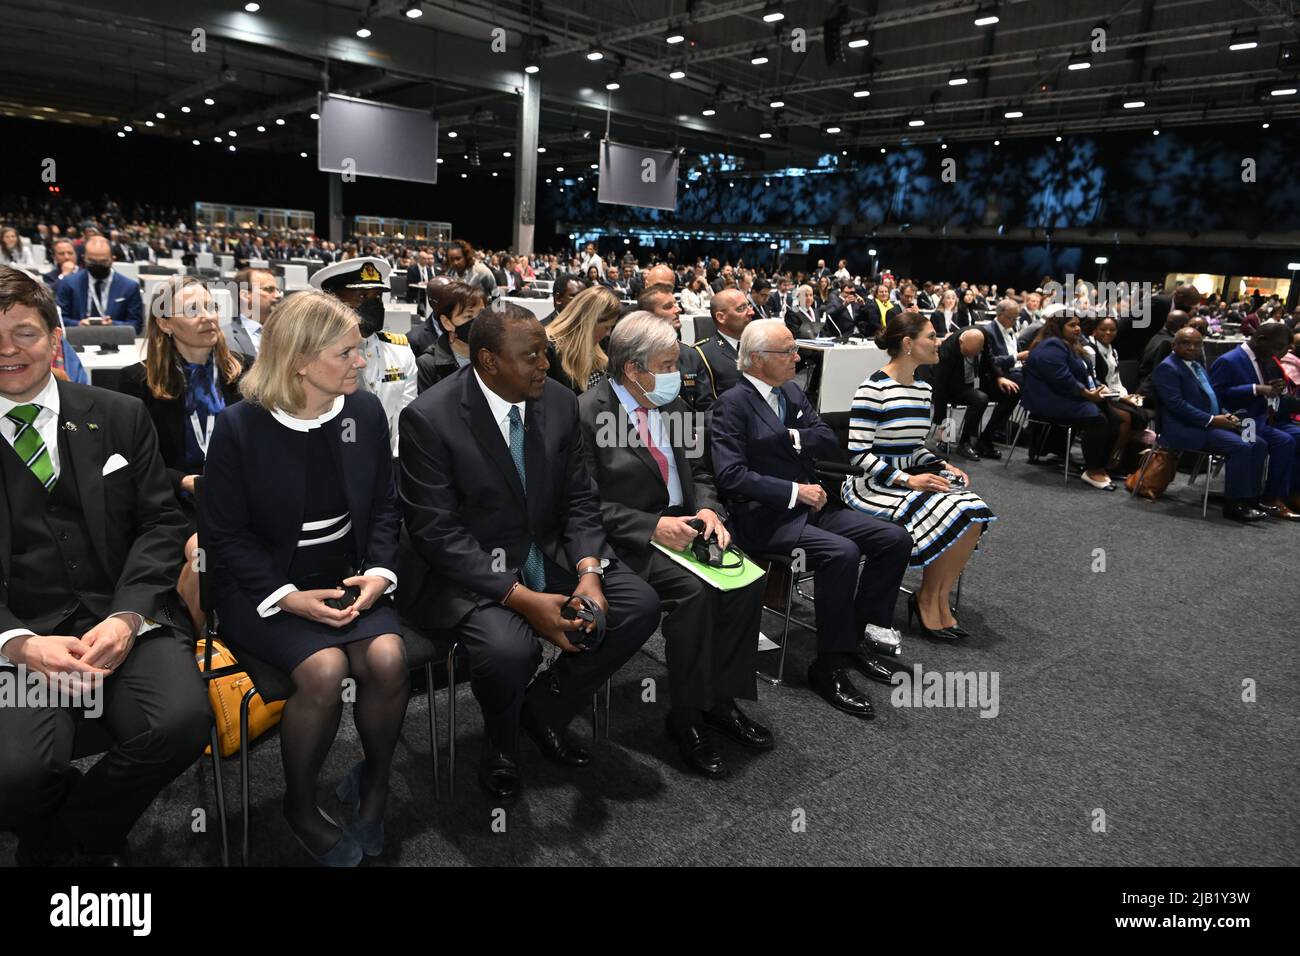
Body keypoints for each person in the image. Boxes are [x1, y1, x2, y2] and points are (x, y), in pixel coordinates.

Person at [397, 303, 660, 802]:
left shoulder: (559, 403)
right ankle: (500, 743)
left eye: (546, 352)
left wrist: (588, 571)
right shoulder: (429, 419)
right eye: (532, 356)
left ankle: (547, 708)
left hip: (549, 548)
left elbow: (579, 499)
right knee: (509, 651)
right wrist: (519, 597)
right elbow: (437, 534)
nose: (545, 364)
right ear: (489, 361)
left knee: (637, 606)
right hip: (470, 565)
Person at [0, 265, 208, 867]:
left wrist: (125, 618)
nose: (9, 351)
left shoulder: (118, 414)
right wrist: (18, 643)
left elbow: (161, 524)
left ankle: (70, 835)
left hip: (125, 614)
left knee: (180, 723)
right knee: (16, 773)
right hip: (19, 632)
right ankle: (71, 830)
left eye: (25, 333)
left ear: (55, 339)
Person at [202, 290, 408, 866]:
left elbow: (386, 507)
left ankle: (376, 783)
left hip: (347, 575)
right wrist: (287, 596)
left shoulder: (364, 412)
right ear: (299, 360)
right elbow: (225, 535)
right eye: (346, 353)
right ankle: (298, 805)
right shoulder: (241, 426)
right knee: (325, 669)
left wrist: (380, 574)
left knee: (388, 659)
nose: (360, 362)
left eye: (359, 350)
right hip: (263, 587)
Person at [578, 313, 770, 777]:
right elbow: (581, 503)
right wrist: (651, 526)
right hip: (630, 537)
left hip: (685, 523)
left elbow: (701, 474)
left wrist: (708, 510)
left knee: (744, 581)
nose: (679, 374)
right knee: (696, 594)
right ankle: (686, 719)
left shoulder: (675, 408)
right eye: (667, 364)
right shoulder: (586, 413)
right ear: (633, 369)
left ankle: (721, 702)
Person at [711, 319, 914, 718]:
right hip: (764, 519)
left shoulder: (789, 390)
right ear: (756, 360)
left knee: (894, 539)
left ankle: (854, 639)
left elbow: (825, 437)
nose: (797, 357)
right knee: (840, 554)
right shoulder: (732, 404)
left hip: (812, 507)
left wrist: (790, 436)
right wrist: (793, 490)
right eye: (786, 351)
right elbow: (730, 475)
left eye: (794, 349)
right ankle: (829, 665)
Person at [841, 314, 995, 639]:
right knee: (952, 510)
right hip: (870, 485)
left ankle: (936, 598)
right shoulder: (873, 388)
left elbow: (912, 449)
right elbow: (858, 454)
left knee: (973, 511)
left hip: (903, 478)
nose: (938, 342)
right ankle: (927, 602)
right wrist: (908, 480)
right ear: (908, 344)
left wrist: (939, 465)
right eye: (931, 336)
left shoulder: (924, 389)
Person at [119, 276, 250, 633]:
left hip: (241, 491)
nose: (208, 317)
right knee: (201, 554)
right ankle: (187, 643)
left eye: (212, 307)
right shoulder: (137, 383)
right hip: (175, 500)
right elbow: (133, 463)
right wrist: (185, 481)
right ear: (164, 322)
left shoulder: (245, 371)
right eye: (193, 310)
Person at [1152, 327, 1267, 523]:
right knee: (1240, 447)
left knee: (1258, 442)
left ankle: (1250, 498)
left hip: (1209, 423)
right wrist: (1213, 420)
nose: (1192, 347)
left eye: (1197, 344)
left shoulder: (1196, 365)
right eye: (1186, 343)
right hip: (1184, 429)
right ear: (1174, 345)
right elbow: (1176, 405)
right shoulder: (1168, 367)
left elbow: (1210, 397)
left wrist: (1224, 414)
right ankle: (1233, 505)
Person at [311, 257, 416, 457]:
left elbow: (404, 421)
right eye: (362, 296)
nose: (373, 304)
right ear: (333, 301)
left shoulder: (400, 352)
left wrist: (393, 465)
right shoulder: (313, 355)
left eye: (377, 297)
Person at [1209, 321, 1300, 519]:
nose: (1279, 354)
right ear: (1260, 339)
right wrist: (1254, 389)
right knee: (1284, 441)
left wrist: (1278, 389)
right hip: (1239, 419)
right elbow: (1215, 395)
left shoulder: (1266, 359)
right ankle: (1271, 497)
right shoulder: (1229, 360)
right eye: (1277, 347)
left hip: (1264, 417)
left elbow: (1272, 393)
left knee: (1297, 435)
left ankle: (1290, 493)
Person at [1021, 311, 1120, 490]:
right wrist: (1088, 394)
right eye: (1072, 325)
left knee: (1113, 415)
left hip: (1066, 394)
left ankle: (1099, 463)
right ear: (1058, 327)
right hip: (1048, 400)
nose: (1077, 328)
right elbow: (1062, 379)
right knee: (1096, 419)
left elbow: (1085, 373)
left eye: (1077, 324)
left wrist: (1098, 386)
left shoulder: (1071, 344)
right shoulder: (1050, 346)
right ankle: (1093, 470)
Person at [929, 327, 1020, 461]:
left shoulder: (982, 334)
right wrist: (941, 422)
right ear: (961, 342)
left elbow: (989, 358)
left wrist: (999, 377)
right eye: (967, 354)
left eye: (974, 353)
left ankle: (985, 439)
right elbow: (940, 387)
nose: (971, 357)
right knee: (980, 398)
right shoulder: (947, 352)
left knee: (1012, 392)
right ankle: (964, 443)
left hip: (977, 380)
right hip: (955, 388)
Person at [1083, 315, 1152, 470]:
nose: (1108, 333)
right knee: (1126, 418)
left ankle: (1123, 458)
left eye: (1112, 330)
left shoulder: (1112, 350)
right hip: (1096, 395)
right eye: (1103, 329)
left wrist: (1125, 395)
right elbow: (1094, 381)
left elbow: (1116, 380)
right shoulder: (1089, 350)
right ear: (1094, 331)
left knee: (1139, 412)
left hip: (1112, 394)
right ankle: (1111, 459)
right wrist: (1121, 398)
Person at [638, 283, 707, 408]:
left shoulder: (691, 355)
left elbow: (706, 406)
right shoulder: (634, 355)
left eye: (676, 304)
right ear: (648, 315)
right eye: (668, 307)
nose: (678, 309)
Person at [55, 236, 143, 331]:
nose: (98, 265)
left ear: (113, 259)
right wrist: (77, 324)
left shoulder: (129, 287)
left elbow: (136, 325)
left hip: (116, 340)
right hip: (77, 339)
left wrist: (113, 324)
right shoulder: (68, 284)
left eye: (103, 261)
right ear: (84, 258)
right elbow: (58, 320)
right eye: (92, 261)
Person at [545, 284, 619, 394]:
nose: (608, 333)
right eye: (606, 327)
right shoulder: (548, 349)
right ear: (590, 322)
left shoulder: (600, 349)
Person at [414, 280, 486, 392]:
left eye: (482, 313)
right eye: (468, 316)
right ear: (447, 322)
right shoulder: (428, 364)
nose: (478, 321)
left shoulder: (493, 356)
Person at [693, 288, 754, 410]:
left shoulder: (759, 344)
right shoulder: (702, 353)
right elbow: (705, 407)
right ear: (721, 317)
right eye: (741, 308)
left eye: (749, 306)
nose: (751, 312)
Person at [222, 266, 282, 360]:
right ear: (245, 296)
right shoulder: (226, 336)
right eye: (269, 289)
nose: (278, 295)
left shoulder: (285, 330)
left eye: (278, 290)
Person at [1138, 309, 1191, 402]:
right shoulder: (1169, 344)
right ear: (1184, 326)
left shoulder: (1158, 335)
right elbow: (1162, 375)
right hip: (1153, 393)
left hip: (1144, 383)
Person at [982, 298, 1028, 384]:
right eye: (1012, 318)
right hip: (1003, 373)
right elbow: (991, 361)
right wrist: (1016, 357)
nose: (1014, 322)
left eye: (1016, 318)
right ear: (1000, 315)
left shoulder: (1009, 326)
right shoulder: (987, 331)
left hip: (1018, 369)